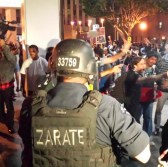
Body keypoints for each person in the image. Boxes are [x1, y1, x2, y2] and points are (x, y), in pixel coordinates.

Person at [19, 39, 150, 167]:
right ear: (90, 67)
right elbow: (143, 155)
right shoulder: (106, 106)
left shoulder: (31, 104)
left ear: (52, 64)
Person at [124, 56, 168, 124]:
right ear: (135, 66)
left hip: (136, 103)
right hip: (131, 105)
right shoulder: (131, 74)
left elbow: (162, 86)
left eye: (144, 64)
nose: (144, 66)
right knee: (132, 124)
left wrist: (165, 79)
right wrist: (162, 75)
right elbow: (147, 79)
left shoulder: (138, 74)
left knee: (143, 120)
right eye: (141, 64)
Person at [0, 39, 17, 134]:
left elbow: (9, 57)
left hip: (7, 87)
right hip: (1, 86)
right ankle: (3, 119)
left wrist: (4, 46)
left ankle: (10, 125)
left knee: (9, 106)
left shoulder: (13, 58)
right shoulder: (2, 58)